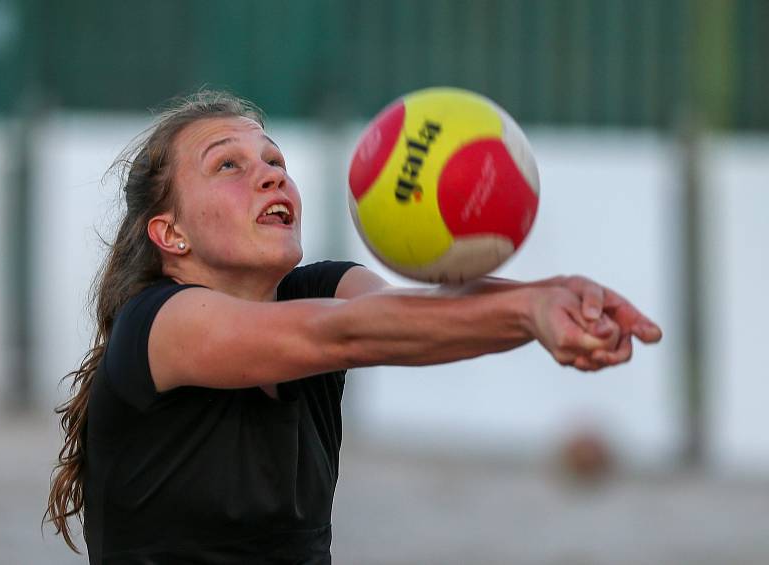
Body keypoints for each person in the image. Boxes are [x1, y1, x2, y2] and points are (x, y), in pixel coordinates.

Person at [45, 90, 662, 564]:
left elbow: (407, 316)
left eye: (274, 160)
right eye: (227, 166)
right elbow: (345, 334)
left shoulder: (322, 289)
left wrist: (552, 295)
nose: (271, 175)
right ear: (170, 234)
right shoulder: (160, 324)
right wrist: (527, 310)